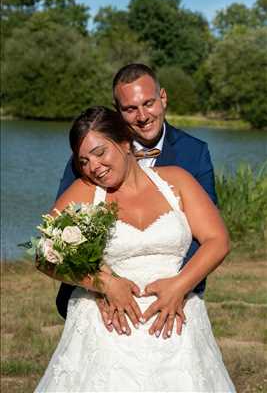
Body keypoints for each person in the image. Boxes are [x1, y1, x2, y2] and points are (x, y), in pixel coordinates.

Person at [35, 106, 235, 392]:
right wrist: (104, 283)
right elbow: (45, 255)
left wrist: (180, 286)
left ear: (125, 142)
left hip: (176, 321)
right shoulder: (84, 191)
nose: (94, 166)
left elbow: (217, 240)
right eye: (84, 161)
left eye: (100, 152)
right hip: (108, 326)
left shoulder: (176, 180)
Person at [56, 64, 217, 335]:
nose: (142, 116)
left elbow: (207, 233)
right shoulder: (90, 158)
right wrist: (102, 283)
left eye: (149, 103)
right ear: (118, 112)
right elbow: (65, 236)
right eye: (130, 109)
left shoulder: (194, 153)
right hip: (103, 304)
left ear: (163, 98)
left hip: (173, 296)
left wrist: (177, 285)